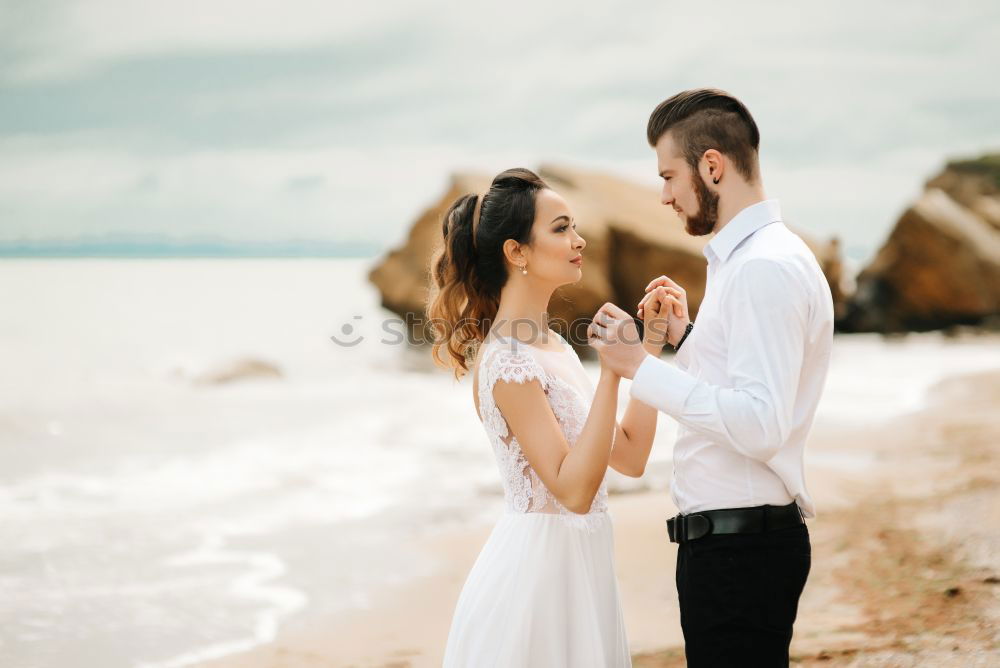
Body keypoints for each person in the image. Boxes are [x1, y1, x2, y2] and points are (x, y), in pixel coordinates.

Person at [589, 88, 835, 666]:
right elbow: (749, 386)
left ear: (713, 167)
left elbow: (760, 424)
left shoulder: (762, 268)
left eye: (669, 175)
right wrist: (688, 340)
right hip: (737, 546)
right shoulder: (752, 260)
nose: (665, 196)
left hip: (740, 552)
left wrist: (639, 367)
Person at [429, 167, 674, 667]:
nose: (579, 240)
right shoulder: (507, 361)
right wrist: (609, 374)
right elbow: (573, 491)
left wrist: (645, 348)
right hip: (535, 582)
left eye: (574, 226)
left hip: (582, 569)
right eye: (560, 228)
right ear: (516, 252)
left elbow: (629, 457)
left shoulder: (555, 347)